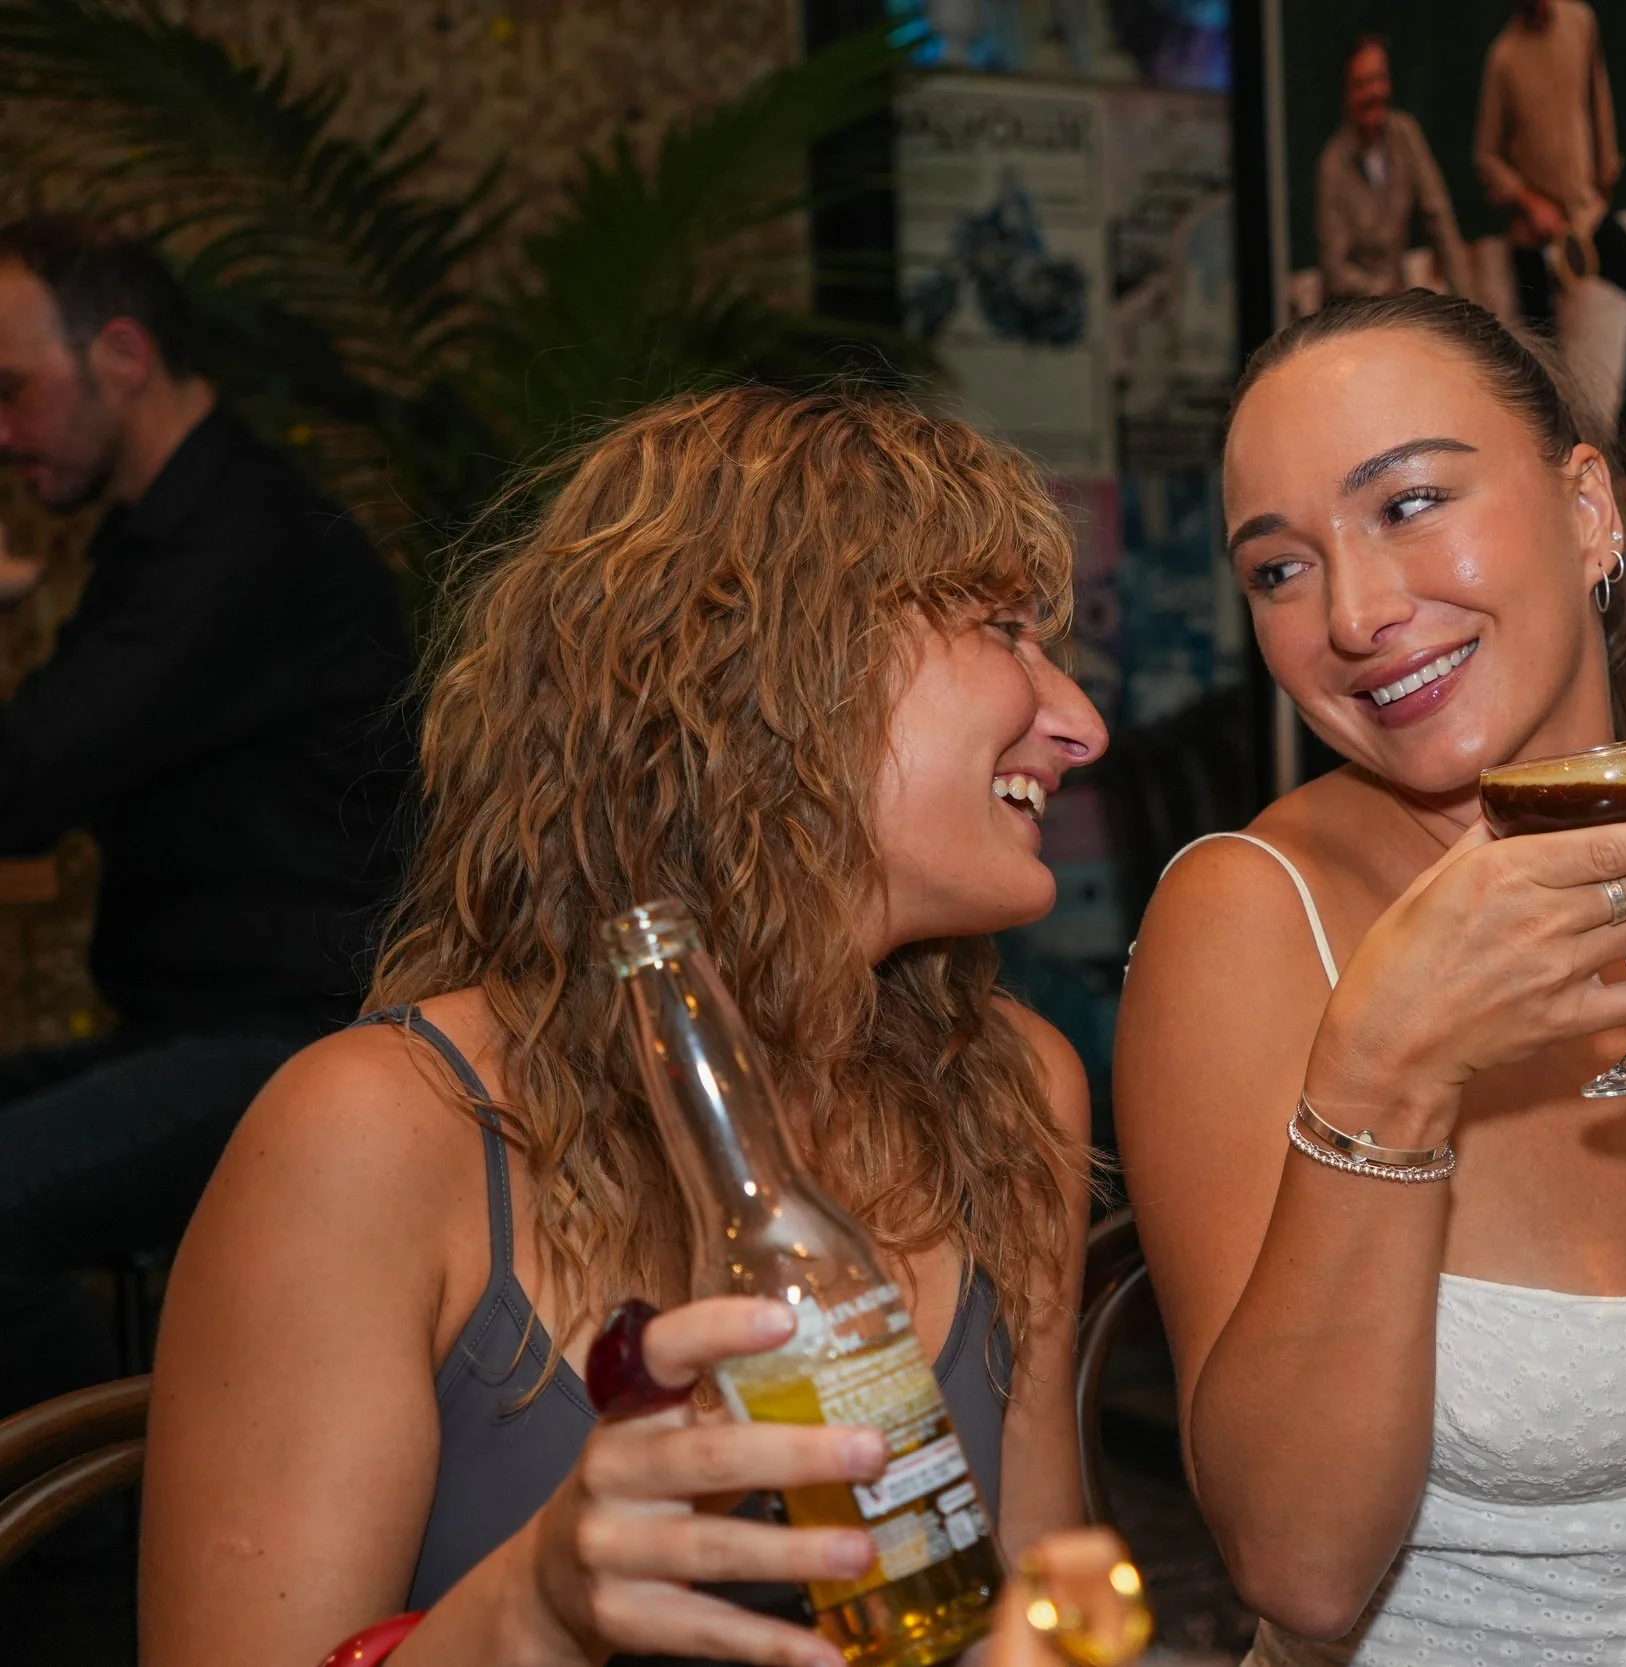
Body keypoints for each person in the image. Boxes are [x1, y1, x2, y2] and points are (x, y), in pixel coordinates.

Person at [140, 387, 1108, 1667]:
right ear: (769, 669)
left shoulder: (1012, 1087)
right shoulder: (380, 1134)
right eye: (1004, 630)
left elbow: (1033, 1623)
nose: (1080, 723)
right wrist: (530, 1610)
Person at [1115, 292, 1626, 1665]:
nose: (1356, 610)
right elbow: (1300, 1569)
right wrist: (1389, 1070)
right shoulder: (1255, 918)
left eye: (1406, 503)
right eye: (1279, 568)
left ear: (1586, 508)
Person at [0, 216, 410, 1416]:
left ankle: (92, 1558)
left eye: (14, 388)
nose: (2, 431)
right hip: (196, 1022)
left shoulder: (242, 544)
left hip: (312, 1037)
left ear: (121, 355)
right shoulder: (160, 532)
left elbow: (23, 786)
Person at [1473, 0, 1626, 476]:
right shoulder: (1503, 58)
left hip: (1586, 217)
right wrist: (1526, 200)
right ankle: (1565, 469)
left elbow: (1596, 96)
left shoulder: (1580, 21)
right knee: (1545, 362)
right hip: (1533, 232)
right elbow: (1486, 157)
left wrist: (1605, 167)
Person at [1314, 36, 1473, 303]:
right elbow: (1335, 270)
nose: (1374, 92)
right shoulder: (1333, 162)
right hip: (1351, 312)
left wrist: (1468, 303)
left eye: (1380, 79)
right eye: (1362, 84)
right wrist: (1386, 291)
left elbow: (1440, 217)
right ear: (1347, 95)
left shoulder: (1405, 134)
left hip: (1398, 301)